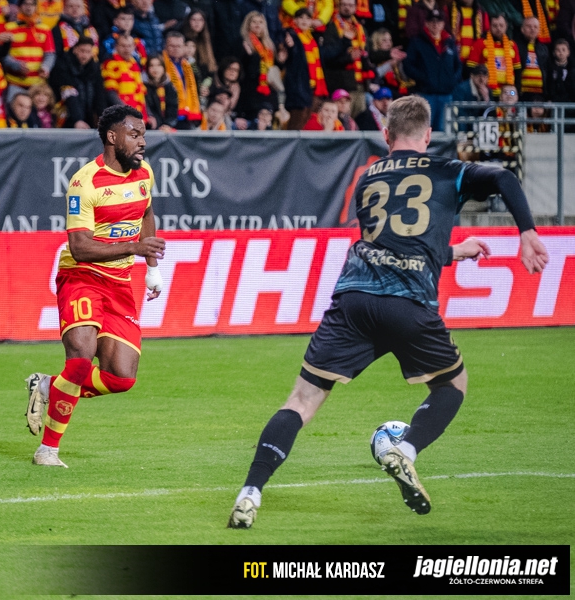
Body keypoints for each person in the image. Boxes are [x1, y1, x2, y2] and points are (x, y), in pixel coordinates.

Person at [227, 95, 549, 529]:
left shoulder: (368, 178)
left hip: (354, 300)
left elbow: (392, 241)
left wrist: (454, 252)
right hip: (409, 302)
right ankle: (406, 449)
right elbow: (503, 177)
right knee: (452, 384)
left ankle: (250, 492)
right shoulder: (446, 170)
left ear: (386, 134)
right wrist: (527, 232)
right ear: (428, 135)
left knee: (301, 401)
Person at [24, 104, 166, 468]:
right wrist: (134, 248)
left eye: (143, 135)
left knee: (122, 378)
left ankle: (48, 385)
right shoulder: (85, 182)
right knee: (81, 356)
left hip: (120, 282)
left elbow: (146, 213)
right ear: (112, 137)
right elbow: (80, 247)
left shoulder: (144, 173)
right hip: (82, 276)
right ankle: (47, 450)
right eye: (134, 134)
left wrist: (151, 269)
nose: (142, 142)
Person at [402, 8, 461, 131]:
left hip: (446, 95)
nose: (435, 24)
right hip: (425, 94)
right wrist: (423, 79)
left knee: (444, 131)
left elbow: (458, 65)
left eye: (438, 21)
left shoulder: (449, 42)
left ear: (443, 24)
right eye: (432, 21)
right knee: (422, 130)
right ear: (426, 23)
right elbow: (408, 66)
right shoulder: (417, 42)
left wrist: (452, 81)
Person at [320, 0, 374, 116]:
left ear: (355, 7)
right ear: (339, 7)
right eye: (344, 5)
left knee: (359, 119)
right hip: (342, 83)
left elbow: (368, 53)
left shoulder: (360, 28)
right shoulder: (332, 28)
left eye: (350, 5)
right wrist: (348, 57)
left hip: (360, 84)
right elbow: (327, 57)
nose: (347, 8)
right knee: (344, 119)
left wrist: (388, 54)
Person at [282, 8, 328, 130]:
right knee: (296, 125)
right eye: (301, 18)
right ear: (295, 20)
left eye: (308, 18)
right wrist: (291, 47)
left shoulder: (313, 39)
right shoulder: (291, 35)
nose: (304, 21)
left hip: (312, 89)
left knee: (307, 125)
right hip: (298, 89)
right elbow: (290, 55)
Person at [48, 35, 107, 128]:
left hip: (87, 115)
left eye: (88, 52)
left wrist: (103, 120)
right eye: (82, 51)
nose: (85, 55)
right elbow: (68, 92)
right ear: (75, 50)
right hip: (65, 117)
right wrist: (77, 119)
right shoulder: (62, 65)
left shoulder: (94, 68)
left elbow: (99, 95)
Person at [0, 0, 55, 95]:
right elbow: (3, 55)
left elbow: (50, 54)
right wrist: (16, 65)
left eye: (32, 4)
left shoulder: (45, 29)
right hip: (15, 83)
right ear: (19, 7)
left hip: (37, 84)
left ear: (36, 7)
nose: (29, 7)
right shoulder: (9, 28)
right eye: (25, 4)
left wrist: (45, 67)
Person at [466, 13, 521, 98]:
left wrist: (517, 92)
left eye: (501, 25)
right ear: (489, 26)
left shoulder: (513, 45)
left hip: (508, 93)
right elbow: (470, 69)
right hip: (486, 92)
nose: (498, 28)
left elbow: (517, 71)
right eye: (495, 26)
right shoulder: (480, 43)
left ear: (506, 26)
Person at [102, 33, 148, 119]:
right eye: (123, 46)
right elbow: (111, 92)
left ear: (134, 47)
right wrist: (127, 112)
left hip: (136, 114)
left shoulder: (135, 64)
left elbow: (141, 92)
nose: (127, 49)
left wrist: (149, 114)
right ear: (116, 46)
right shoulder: (110, 64)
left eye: (129, 46)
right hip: (121, 116)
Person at [163, 30, 202, 128]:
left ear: (184, 47)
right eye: (172, 46)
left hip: (186, 116)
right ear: (165, 46)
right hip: (168, 115)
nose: (176, 49)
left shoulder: (187, 65)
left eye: (179, 46)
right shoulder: (160, 63)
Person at [516, 16, 549, 102]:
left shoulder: (544, 48)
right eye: (529, 26)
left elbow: (547, 70)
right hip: (522, 93)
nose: (532, 29)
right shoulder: (516, 46)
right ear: (522, 29)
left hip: (540, 94)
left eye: (535, 27)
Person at [144, 54, 179, 130]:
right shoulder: (143, 87)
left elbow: (173, 108)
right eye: (151, 65)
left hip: (167, 127)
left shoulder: (169, 87)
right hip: (150, 127)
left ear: (163, 68)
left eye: (159, 65)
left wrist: (168, 124)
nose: (155, 69)